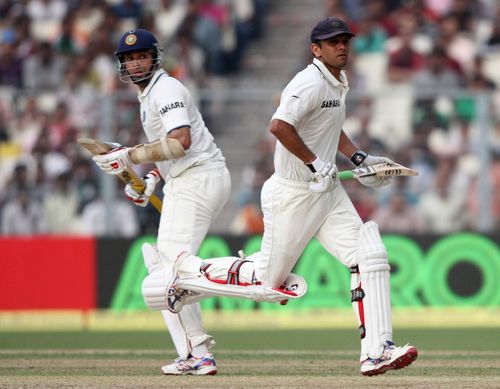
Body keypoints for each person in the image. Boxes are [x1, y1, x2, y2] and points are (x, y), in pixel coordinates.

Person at [165, 17, 418, 376]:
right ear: (316, 49)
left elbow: (329, 127)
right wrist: (315, 162)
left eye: (345, 40)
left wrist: (358, 157)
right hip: (294, 193)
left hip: (325, 191)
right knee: (269, 285)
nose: (342, 47)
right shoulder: (309, 81)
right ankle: (187, 274)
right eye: (333, 43)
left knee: (369, 255)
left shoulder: (338, 80)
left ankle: (377, 350)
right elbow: (279, 125)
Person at [91, 29, 232, 376]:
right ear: (122, 65)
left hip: (197, 178)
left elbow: (181, 141)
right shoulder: (149, 95)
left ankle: (243, 279)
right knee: (168, 270)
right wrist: (151, 179)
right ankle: (196, 350)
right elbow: (168, 151)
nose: (136, 62)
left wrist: (129, 155)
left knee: (167, 276)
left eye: (141, 55)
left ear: (155, 56)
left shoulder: (165, 88)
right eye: (129, 58)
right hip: (189, 179)